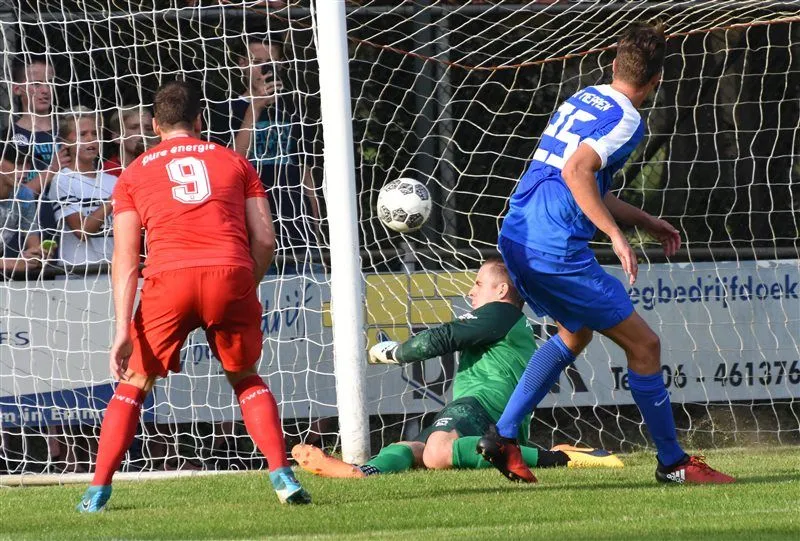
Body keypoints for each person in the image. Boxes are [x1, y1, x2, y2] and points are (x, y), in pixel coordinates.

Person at [476, 22, 734, 485]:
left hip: (517, 234)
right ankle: (673, 463)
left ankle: (505, 435)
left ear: (614, 65)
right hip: (554, 248)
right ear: (656, 82)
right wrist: (615, 235)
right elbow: (577, 172)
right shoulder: (628, 120)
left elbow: (582, 181)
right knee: (645, 345)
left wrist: (644, 221)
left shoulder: (586, 97)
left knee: (574, 334)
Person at [76, 80, 310, 512]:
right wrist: (244, 285)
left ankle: (97, 490)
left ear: (153, 125)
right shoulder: (235, 162)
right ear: (199, 120)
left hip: (170, 279)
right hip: (230, 271)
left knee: (136, 382)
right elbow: (266, 241)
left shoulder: (134, 173)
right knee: (245, 377)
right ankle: (280, 474)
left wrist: (122, 329)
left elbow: (126, 258)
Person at [292, 258, 623, 479]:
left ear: (502, 290)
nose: (471, 290)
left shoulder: (502, 314)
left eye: (478, 283)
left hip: (485, 402)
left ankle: (558, 458)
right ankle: (363, 473)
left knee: (436, 453)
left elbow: (443, 337)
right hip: (484, 409)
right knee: (411, 449)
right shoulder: (502, 319)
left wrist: (397, 351)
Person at [208, 35, 321, 267]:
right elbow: (226, 166)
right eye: (257, 61)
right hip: (247, 226)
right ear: (241, 63)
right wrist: (255, 109)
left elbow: (305, 172)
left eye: (271, 62)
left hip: (296, 227)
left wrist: (316, 228)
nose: (264, 69)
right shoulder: (222, 110)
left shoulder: (293, 109)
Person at [49, 109, 116, 266]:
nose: (90, 139)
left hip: (111, 271)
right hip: (77, 275)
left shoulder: (113, 181)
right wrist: (112, 200)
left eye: (94, 133)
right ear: (65, 142)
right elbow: (81, 230)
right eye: (82, 134)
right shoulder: (62, 180)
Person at [0, 143, 48, 276]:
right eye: (18, 163)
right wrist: (11, 263)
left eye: (28, 163)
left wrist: (37, 255)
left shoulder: (23, 194)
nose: (24, 170)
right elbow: (14, 263)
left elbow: (33, 243)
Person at [103, 106, 156, 178]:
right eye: (134, 128)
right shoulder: (109, 171)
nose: (143, 133)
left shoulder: (157, 164)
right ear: (117, 137)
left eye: (148, 128)